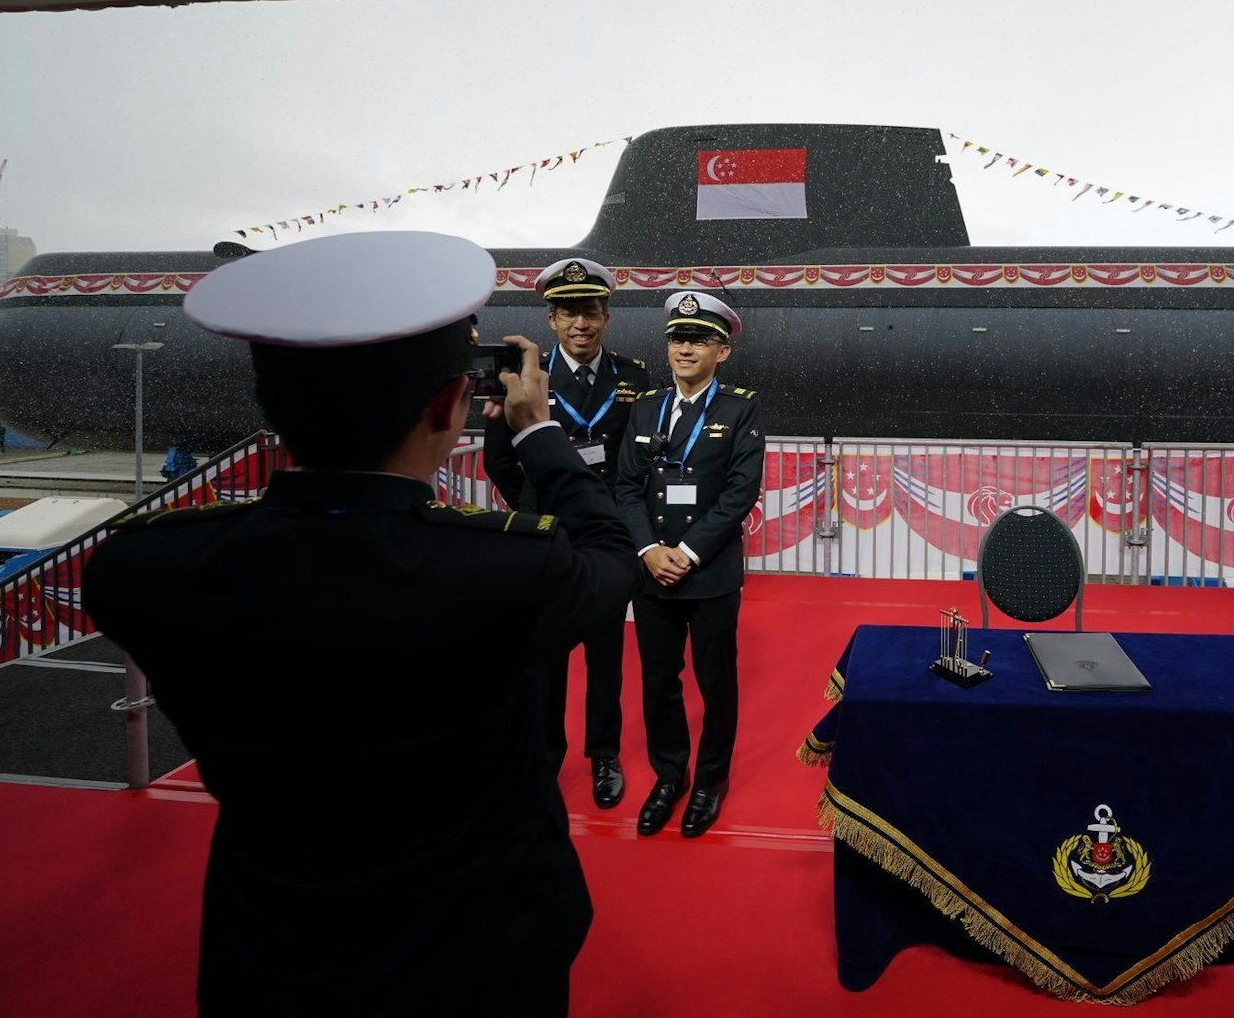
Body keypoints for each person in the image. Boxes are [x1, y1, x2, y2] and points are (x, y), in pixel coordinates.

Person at [83, 231, 639, 1018]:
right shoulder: (510, 574)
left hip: (272, 960)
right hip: (478, 961)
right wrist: (541, 432)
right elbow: (611, 552)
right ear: (451, 405)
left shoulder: (151, 572)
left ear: (272, 404)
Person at [482, 256, 652, 809]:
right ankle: (546, 758)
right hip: (545, 534)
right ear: (551, 320)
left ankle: (603, 756)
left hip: (603, 534)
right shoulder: (526, 376)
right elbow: (501, 459)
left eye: (590, 311)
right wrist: (533, 509)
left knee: (606, 656)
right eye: (568, 313)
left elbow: (636, 463)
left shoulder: (634, 378)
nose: (581, 322)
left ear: (606, 317)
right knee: (545, 659)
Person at [614, 289, 764, 838]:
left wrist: (689, 552)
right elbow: (626, 487)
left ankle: (709, 782)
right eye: (678, 338)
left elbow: (739, 493)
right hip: (651, 570)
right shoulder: (647, 406)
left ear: (721, 351)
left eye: (699, 339)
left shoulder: (741, 407)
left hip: (710, 574)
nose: (685, 348)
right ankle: (669, 775)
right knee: (658, 681)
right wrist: (649, 550)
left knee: (715, 680)